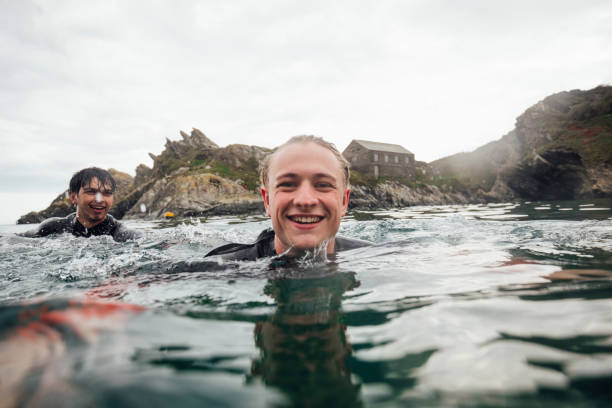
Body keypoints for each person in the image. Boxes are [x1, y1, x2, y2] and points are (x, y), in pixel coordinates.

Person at [205, 135, 370, 261]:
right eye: (288, 184)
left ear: (343, 202)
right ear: (268, 201)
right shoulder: (214, 271)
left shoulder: (380, 257)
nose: (305, 201)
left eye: (323, 185)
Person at [20, 167, 140, 242]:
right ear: (73, 197)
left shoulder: (124, 235)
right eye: (91, 192)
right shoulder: (53, 227)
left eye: (107, 193)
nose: (100, 199)